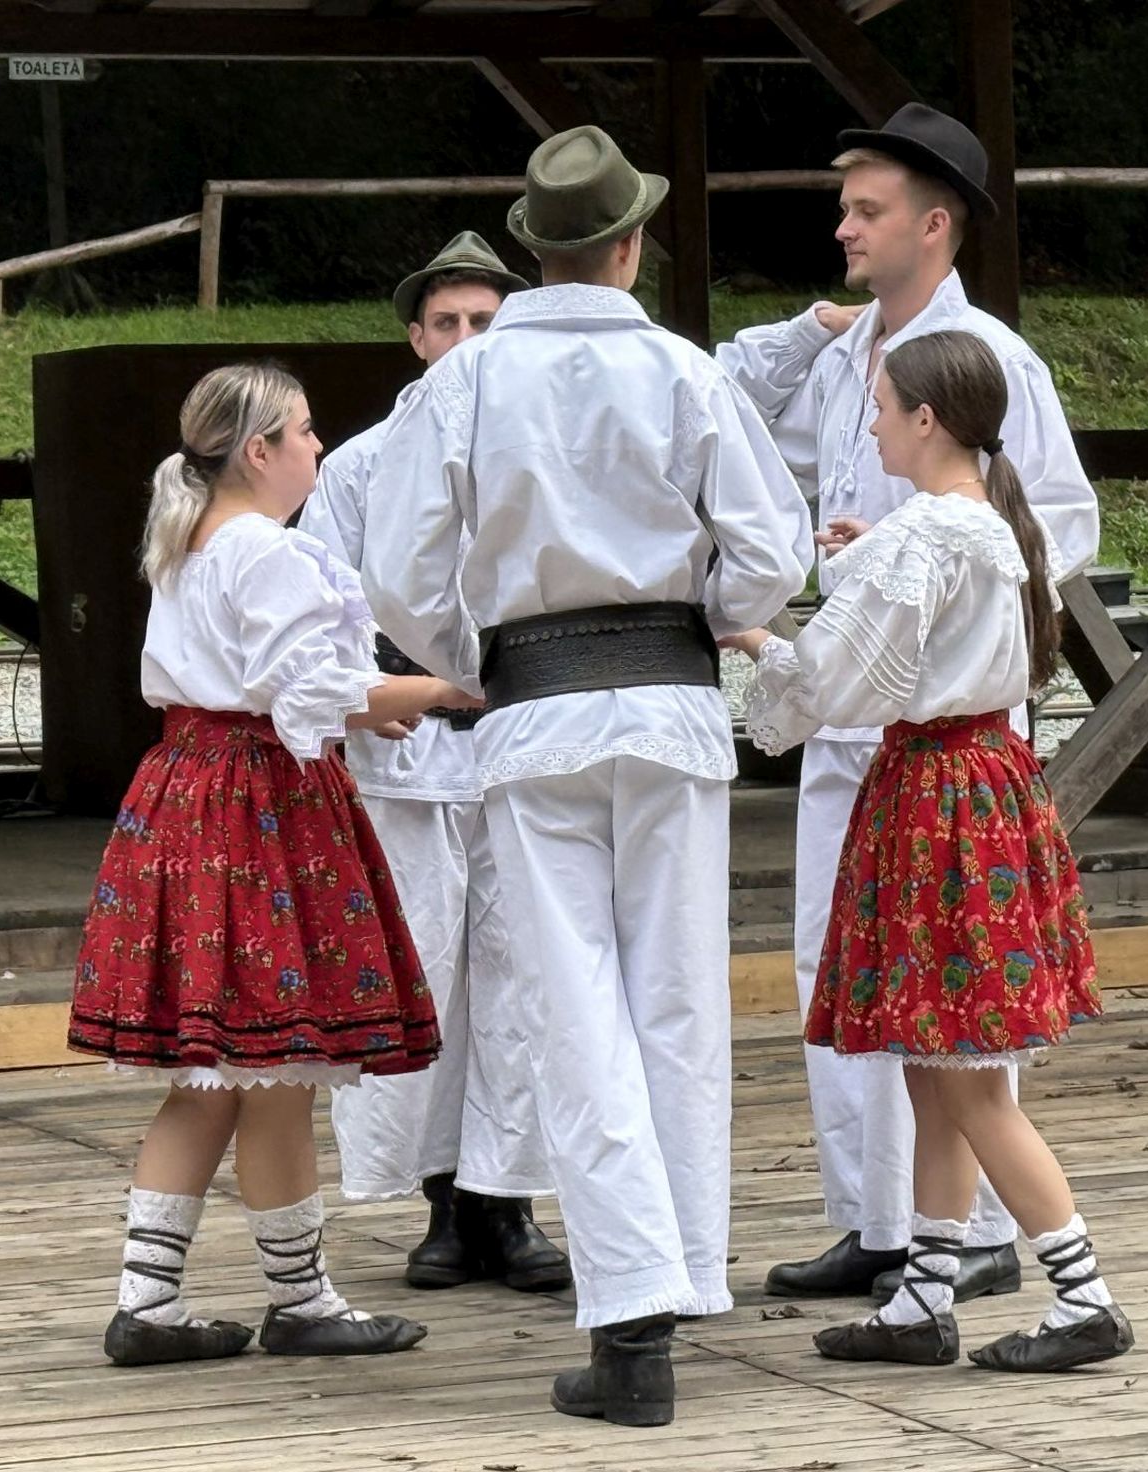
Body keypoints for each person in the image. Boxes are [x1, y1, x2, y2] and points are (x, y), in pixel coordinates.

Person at [364, 126, 813, 1426]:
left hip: (539, 714)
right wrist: (700, 618)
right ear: (629, 246)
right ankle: (671, 1280)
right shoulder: (684, 371)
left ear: (535, 251)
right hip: (667, 710)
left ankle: (633, 1321)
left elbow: (401, 571)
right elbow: (771, 551)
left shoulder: (466, 383)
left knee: (575, 1011)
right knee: (675, 1005)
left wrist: (477, 657)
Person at [717, 102, 1100, 1308]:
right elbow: (755, 431)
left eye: (866, 210)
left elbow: (1059, 525)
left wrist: (930, 577)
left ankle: (976, 1230)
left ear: (933, 225)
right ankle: (881, 1222)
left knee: (954, 983)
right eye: (846, 208)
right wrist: (860, 556)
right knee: (844, 962)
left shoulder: (991, 359)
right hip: (855, 715)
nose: (844, 228)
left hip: (939, 716)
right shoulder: (848, 358)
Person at [67, 360, 479, 1366]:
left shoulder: (190, 542)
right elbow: (314, 693)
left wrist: (380, 701)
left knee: (213, 1075)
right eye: (303, 430)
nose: (317, 446)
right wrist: (446, 688)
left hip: (187, 789)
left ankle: (147, 1302)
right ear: (258, 450)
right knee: (278, 1066)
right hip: (256, 807)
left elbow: (276, 684)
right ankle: (301, 1299)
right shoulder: (265, 549)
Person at [301, 232, 570, 1296]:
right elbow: (320, 603)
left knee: (522, 977)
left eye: (485, 322)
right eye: (447, 322)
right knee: (421, 974)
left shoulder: (545, 453)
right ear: (415, 337)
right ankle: (443, 1200)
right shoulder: (361, 465)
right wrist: (368, 701)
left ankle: (512, 1199)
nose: (465, 339)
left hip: (520, 752)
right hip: (408, 759)